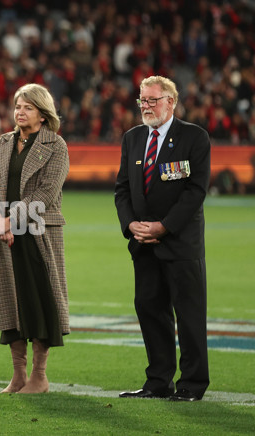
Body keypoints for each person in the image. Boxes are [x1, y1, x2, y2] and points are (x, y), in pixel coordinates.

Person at [115, 75, 211, 401]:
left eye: (152, 100)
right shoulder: (132, 138)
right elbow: (123, 190)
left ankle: (192, 385)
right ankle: (158, 381)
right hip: (143, 245)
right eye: (142, 100)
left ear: (171, 101)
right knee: (150, 311)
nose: (146, 106)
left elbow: (195, 190)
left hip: (180, 243)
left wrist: (164, 226)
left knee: (189, 315)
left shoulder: (194, 137)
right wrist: (131, 226)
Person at [0, 83, 70, 394]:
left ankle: (39, 377)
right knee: (11, 302)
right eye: (18, 106)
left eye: (28, 107)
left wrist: (10, 219)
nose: (20, 112)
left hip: (39, 232)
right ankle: (18, 375)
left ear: (43, 115)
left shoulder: (55, 146)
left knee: (39, 300)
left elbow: (46, 192)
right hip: (5, 234)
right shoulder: (4, 142)